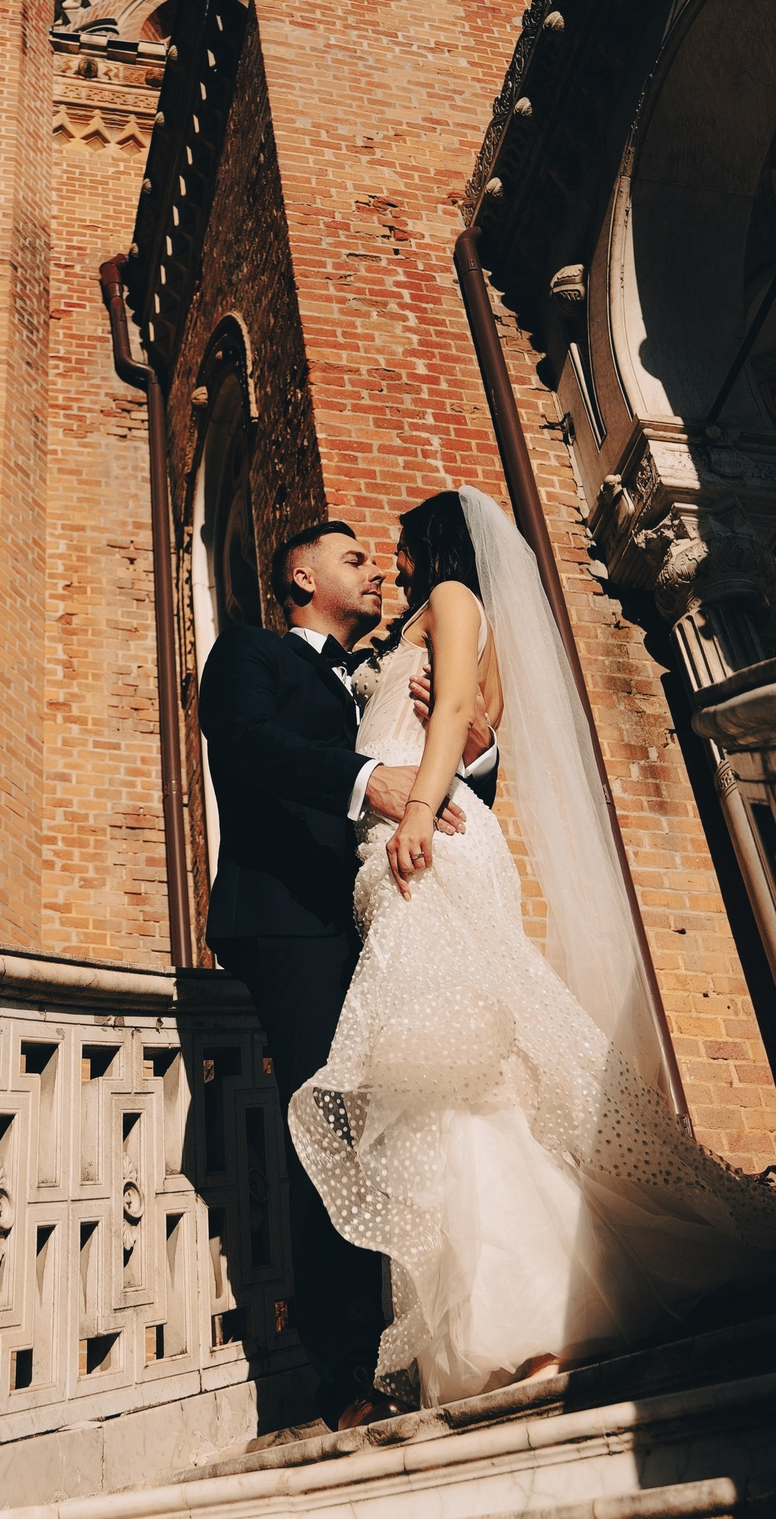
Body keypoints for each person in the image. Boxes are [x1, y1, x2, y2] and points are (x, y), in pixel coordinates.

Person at [288, 489, 776, 1410]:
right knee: (442, 1077)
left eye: (399, 548)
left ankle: (531, 1318)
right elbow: (473, 729)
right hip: (397, 857)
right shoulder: (431, 625)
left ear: (436, 546)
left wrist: (421, 810)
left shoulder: (455, 603)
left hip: (425, 847)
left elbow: (469, 715)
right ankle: (509, 1317)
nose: (391, 563)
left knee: (459, 1070)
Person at [195, 519, 499, 1432]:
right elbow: (243, 744)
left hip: (383, 911)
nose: (375, 572)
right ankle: (344, 1373)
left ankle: (434, 1332)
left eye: (379, 558)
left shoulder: (374, 669)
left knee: (413, 1112)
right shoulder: (247, 650)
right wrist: (367, 777)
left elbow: (445, 745)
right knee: (327, 1119)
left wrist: (469, 747)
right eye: (353, 558)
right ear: (299, 574)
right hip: (289, 920)